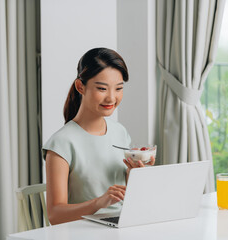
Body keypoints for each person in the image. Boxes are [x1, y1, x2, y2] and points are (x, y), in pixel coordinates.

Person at [43, 48, 155, 225]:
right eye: (102, 88)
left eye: (119, 88)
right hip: (83, 231)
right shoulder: (61, 143)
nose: (111, 98)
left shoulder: (120, 132)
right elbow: (55, 215)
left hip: (122, 226)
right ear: (80, 87)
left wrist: (135, 174)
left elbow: (128, 196)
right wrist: (99, 202)